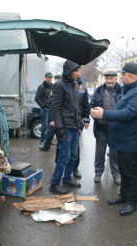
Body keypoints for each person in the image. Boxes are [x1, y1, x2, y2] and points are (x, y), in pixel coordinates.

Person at [90, 62, 137, 216]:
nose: (120, 76)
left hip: (132, 141)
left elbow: (127, 114)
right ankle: (123, 195)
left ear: (129, 76)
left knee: (132, 174)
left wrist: (104, 114)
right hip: (123, 140)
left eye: (122, 74)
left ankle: (132, 202)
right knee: (124, 172)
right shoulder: (130, 90)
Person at [49, 60, 82, 195]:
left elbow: (76, 106)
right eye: (76, 71)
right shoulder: (58, 85)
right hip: (65, 128)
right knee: (64, 156)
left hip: (74, 127)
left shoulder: (74, 84)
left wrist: (80, 124)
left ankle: (67, 179)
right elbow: (55, 108)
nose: (78, 74)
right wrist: (59, 129)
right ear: (68, 71)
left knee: (73, 156)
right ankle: (55, 183)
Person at [90, 70, 122, 184]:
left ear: (116, 79)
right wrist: (93, 113)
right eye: (107, 78)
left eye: (111, 78)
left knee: (115, 154)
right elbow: (92, 105)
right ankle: (98, 173)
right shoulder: (99, 90)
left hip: (116, 129)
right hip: (101, 128)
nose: (109, 81)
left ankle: (116, 174)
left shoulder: (122, 91)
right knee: (100, 153)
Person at [72, 77, 90, 179]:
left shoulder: (82, 87)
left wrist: (85, 120)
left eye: (78, 70)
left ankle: (75, 169)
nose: (77, 73)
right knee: (62, 148)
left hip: (78, 122)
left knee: (75, 147)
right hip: (65, 123)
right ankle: (61, 168)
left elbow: (85, 105)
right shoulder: (61, 83)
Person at [40, 74, 62, 151]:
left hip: (57, 113)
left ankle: (47, 144)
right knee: (48, 128)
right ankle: (44, 144)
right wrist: (44, 106)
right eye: (56, 78)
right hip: (51, 111)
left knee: (53, 130)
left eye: (58, 78)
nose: (57, 80)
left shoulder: (55, 87)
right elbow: (50, 103)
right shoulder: (46, 87)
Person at [35, 72, 53, 148]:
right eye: (48, 77)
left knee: (50, 126)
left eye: (51, 77)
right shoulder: (41, 87)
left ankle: (48, 141)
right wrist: (43, 106)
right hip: (45, 109)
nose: (50, 79)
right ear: (45, 78)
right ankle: (42, 141)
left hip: (52, 109)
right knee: (44, 126)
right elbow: (37, 98)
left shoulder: (53, 87)